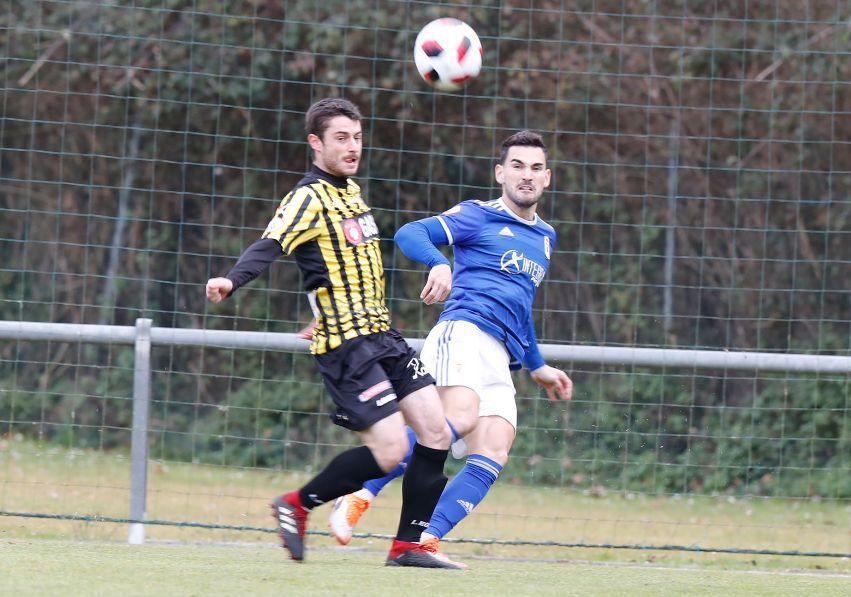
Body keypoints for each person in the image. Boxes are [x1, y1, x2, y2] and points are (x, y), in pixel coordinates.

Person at [205, 98, 462, 569]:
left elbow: (328, 270)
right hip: (348, 347)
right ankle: (297, 504)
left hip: (384, 336)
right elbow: (272, 243)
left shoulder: (351, 193)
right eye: (341, 138)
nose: (352, 147)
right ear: (315, 143)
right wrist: (232, 280)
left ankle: (408, 546)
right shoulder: (307, 197)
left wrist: (319, 304)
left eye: (357, 138)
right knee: (391, 450)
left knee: (435, 431)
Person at [327, 131, 573, 566]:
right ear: (500, 173)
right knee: (451, 421)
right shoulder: (478, 215)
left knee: (495, 446)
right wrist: (441, 263)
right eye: (517, 165)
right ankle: (360, 490)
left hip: (499, 353)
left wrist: (537, 365)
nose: (526, 175)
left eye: (536, 168)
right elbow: (409, 233)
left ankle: (424, 541)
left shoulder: (546, 237)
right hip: (463, 333)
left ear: (548, 178)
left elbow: (520, 305)